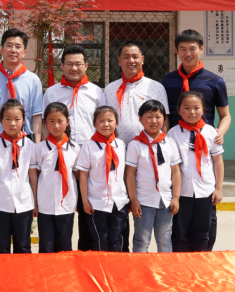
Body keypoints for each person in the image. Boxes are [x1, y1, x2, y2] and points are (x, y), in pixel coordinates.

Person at [160, 29, 231, 251]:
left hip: (205, 146)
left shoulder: (215, 81)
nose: (188, 53)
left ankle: (203, 256)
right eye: (183, 49)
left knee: (206, 219)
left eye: (192, 48)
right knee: (179, 215)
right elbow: (165, 115)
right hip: (176, 145)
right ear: (176, 51)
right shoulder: (168, 80)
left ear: (201, 49)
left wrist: (219, 133)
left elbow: (226, 115)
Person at [0, 28, 43, 252]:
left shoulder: (33, 80)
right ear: (1, 49)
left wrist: (37, 145)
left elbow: (36, 116)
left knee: (22, 197)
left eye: (18, 46)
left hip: (24, 142)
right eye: (9, 45)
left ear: (24, 52)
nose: (13, 50)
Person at [103, 40, 169, 252]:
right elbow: (106, 120)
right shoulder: (110, 89)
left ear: (142, 59)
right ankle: (122, 251)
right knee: (122, 201)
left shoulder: (155, 87)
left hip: (148, 154)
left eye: (135, 56)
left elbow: (164, 120)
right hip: (119, 155)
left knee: (146, 202)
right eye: (126, 57)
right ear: (119, 61)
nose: (131, 60)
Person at [42, 44, 106, 252]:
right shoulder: (52, 92)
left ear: (86, 66)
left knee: (88, 206)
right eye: (69, 63)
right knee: (63, 206)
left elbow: (103, 121)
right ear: (61, 66)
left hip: (90, 156)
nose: (74, 68)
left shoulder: (96, 92)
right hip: (61, 155)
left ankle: (87, 253)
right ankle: (60, 251)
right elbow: (45, 124)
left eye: (78, 63)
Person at [168, 91, 224, 252]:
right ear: (179, 111)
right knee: (180, 232)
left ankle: (200, 262)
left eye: (196, 108)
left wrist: (218, 188)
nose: (192, 112)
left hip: (205, 191)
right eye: (186, 108)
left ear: (203, 109)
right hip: (182, 192)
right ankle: (181, 263)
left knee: (203, 232)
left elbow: (218, 161)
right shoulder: (173, 133)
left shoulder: (211, 132)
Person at [125, 100, 181, 253]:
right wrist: (134, 199)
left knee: (164, 238)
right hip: (144, 201)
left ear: (164, 119)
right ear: (140, 119)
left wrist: (176, 197)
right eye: (149, 117)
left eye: (158, 117)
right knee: (142, 239)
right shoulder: (135, 145)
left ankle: (164, 267)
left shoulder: (170, 143)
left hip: (166, 200)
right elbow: (130, 174)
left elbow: (176, 172)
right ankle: (140, 267)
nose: (154, 121)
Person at [75, 106, 129, 252]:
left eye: (110, 120)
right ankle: (101, 265)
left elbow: (124, 173)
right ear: (94, 123)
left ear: (116, 123)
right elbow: (83, 175)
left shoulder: (120, 144)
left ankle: (116, 265)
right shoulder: (88, 145)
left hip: (119, 202)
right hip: (97, 202)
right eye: (101, 121)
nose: (106, 124)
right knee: (100, 239)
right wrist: (85, 201)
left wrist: (129, 198)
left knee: (117, 238)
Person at [0, 99, 38, 254]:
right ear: (0, 121)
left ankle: (22, 271)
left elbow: (32, 175)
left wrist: (35, 202)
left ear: (23, 121)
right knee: (2, 245)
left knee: (23, 244)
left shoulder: (30, 146)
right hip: (2, 202)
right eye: (7, 119)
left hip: (24, 202)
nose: (12, 123)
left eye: (17, 119)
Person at [32, 102, 80, 253]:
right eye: (51, 121)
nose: (56, 126)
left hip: (67, 204)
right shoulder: (39, 148)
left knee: (64, 245)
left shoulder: (75, 148)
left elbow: (78, 175)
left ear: (68, 121)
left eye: (60, 121)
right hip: (45, 204)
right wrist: (35, 202)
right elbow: (35, 175)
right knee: (46, 246)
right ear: (45, 123)